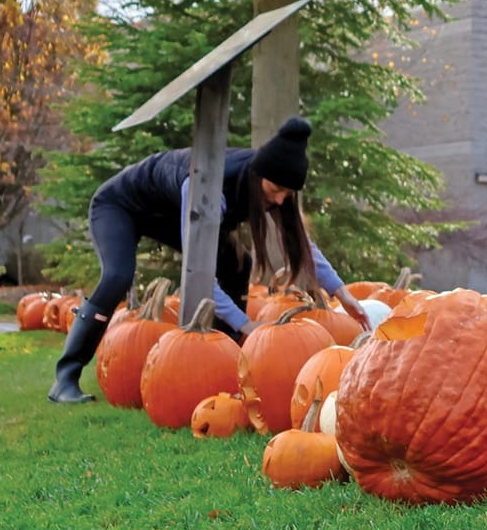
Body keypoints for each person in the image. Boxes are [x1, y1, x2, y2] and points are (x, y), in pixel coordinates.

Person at [48, 116, 369, 403]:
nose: (280, 198)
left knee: (237, 264)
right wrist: (248, 326)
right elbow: (199, 274)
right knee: (118, 276)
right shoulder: (211, 186)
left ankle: (227, 366)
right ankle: (66, 377)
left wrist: (344, 294)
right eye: (277, 189)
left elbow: (302, 245)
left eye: (289, 193)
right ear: (261, 175)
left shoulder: (273, 188)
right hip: (121, 206)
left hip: (168, 213)